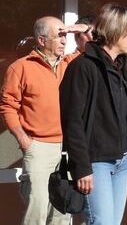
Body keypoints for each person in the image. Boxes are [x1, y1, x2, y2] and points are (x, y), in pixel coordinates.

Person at [0, 16, 88, 225]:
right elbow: (8, 106)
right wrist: (23, 139)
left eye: (66, 37)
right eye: (60, 36)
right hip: (38, 147)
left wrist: (80, 29)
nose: (65, 41)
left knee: (62, 211)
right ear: (41, 40)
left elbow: (95, 45)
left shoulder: (71, 64)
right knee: (37, 209)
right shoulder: (20, 68)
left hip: (69, 147)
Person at [60, 3, 127, 225]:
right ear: (116, 30)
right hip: (96, 163)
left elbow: (126, 112)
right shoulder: (82, 67)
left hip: (123, 159)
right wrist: (82, 167)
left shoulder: (118, 68)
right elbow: (72, 121)